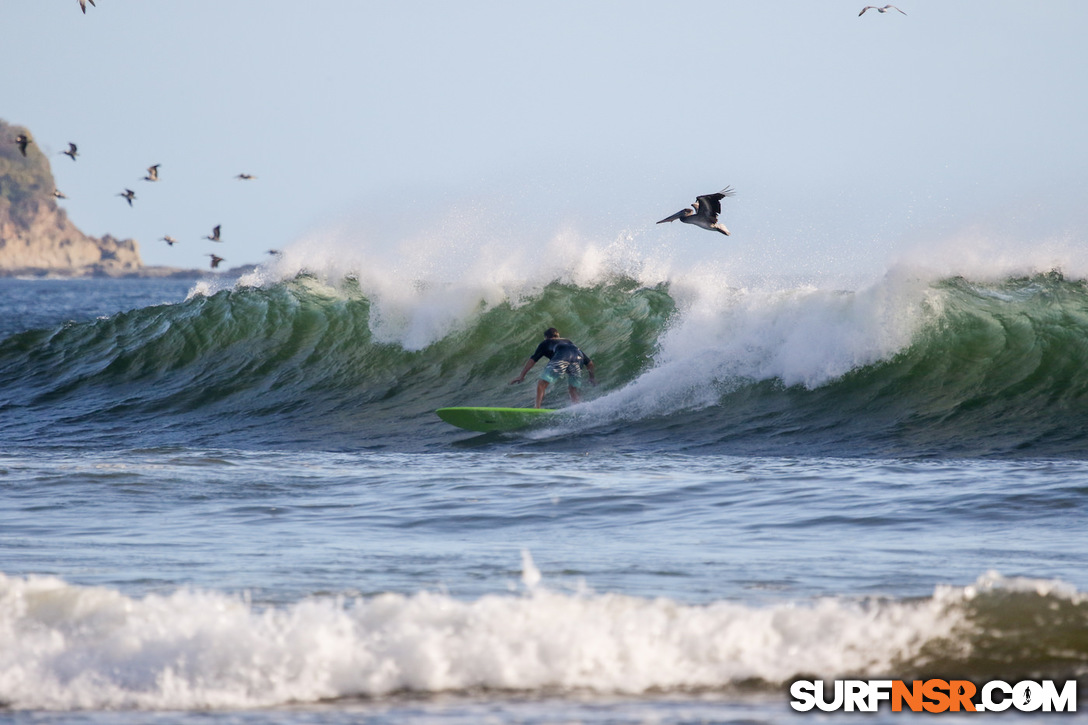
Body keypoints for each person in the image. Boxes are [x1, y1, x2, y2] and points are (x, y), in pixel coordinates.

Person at [510, 327, 596, 408]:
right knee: (573, 389)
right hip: (578, 357)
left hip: (563, 356)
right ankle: (577, 407)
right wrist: (592, 378)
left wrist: (522, 376)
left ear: (546, 337)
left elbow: (533, 359)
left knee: (542, 384)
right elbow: (590, 364)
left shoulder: (547, 342)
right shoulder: (569, 343)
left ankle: (537, 408)